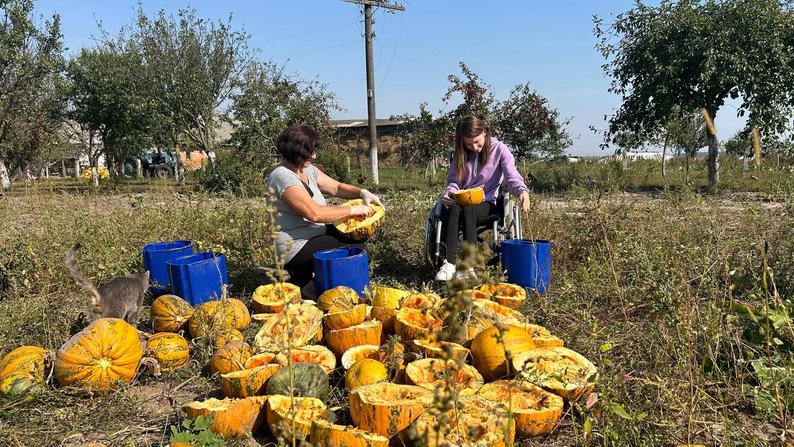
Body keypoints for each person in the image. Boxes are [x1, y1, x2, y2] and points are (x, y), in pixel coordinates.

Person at [266, 124, 384, 296]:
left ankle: (308, 280)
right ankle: (312, 291)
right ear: (296, 150)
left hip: (313, 234)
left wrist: (361, 192)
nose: (314, 156)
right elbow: (314, 213)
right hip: (292, 245)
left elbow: (336, 187)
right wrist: (353, 210)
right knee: (357, 250)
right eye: (310, 151)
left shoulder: (307, 169)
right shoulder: (282, 176)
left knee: (357, 240)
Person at [435, 114, 531, 281]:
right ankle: (449, 265)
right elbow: (453, 181)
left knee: (469, 211)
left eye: (477, 142)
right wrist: (450, 193)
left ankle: (467, 266)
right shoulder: (461, 153)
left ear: (485, 132)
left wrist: (522, 191)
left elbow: (511, 176)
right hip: (463, 200)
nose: (474, 147)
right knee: (454, 210)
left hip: (487, 201)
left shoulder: (500, 150)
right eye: (468, 144)